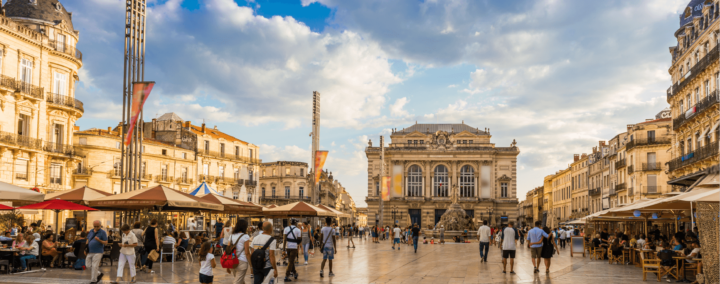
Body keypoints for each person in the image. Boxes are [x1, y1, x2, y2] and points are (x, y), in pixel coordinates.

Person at [226, 219, 251, 284]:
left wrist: (228, 266)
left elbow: (228, 251)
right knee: (238, 282)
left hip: (232, 261)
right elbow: (247, 253)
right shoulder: (245, 236)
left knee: (240, 281)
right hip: (242, 262)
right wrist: (251, 266)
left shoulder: (231, 236)